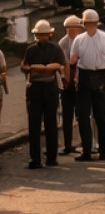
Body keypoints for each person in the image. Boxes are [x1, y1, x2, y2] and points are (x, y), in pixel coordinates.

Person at [70, 8, 105, 161]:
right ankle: (87, 150)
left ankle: (103, 150)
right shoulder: (79, 39)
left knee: (101, 116)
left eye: (91, 23)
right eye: (87, 23)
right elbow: (73, 58)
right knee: (83, 116)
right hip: (84, 76)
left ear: (97, 23)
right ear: (84, 24)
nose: (89, 25)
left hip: (100, 75)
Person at [22, 20, 66, 168]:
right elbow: (60, 65)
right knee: (50, 123)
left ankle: (36, 158)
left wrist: (36, 68)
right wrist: (47, 68)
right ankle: (51, 158)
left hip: (37, 87)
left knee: (35, 125)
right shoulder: (55, 48)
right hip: (48, 86)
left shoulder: (31, 49)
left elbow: (27, 67)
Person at [58, 15, 82, 154]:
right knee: (67, 115)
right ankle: (67, 144)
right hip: (68, 80)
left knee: (81, 114)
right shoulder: (63, 43)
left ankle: (83, 142)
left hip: (79, 79)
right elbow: (62, 63)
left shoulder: (82, 40)